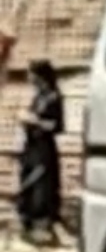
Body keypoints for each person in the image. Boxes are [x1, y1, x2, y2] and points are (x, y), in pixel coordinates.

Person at [16, 58, 64, 242]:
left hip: (43, 150)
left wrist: (34, 121)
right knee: (26, 184)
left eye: (31, 73)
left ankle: (44, 227)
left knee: (42, 187)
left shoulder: (54, 98)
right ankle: (26, 225)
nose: (28, 77)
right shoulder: (37, 97)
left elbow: (56, 126)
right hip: (31, 147)